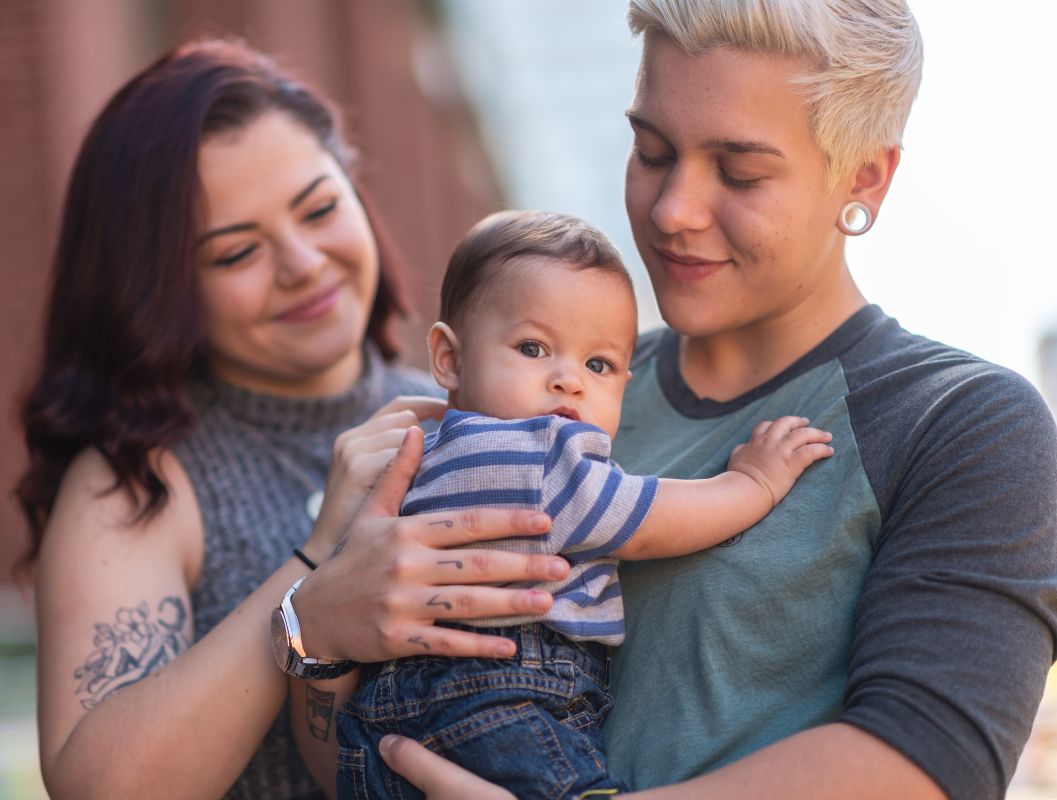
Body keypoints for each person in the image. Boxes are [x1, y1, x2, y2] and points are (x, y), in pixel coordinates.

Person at [285, 1, 1057, 799]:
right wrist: (321, 623)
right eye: (651, 151)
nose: (670, 211)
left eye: (739, 171)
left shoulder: (963, 424)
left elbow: (928, 767)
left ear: (863, 176)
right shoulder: (534, 397)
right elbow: (351, 755)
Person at [14, 40, 549, 800]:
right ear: (158, 289)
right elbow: (104, 789)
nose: (302, 263)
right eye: (237, 254)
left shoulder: (482, 408)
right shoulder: (135, 480)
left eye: (320, 208)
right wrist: (314, 575)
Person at [329, 209, 835, 799]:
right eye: (533, 346)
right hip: (502, 699)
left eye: (598, 364)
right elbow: (646, 519)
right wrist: (754, 484)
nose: (569, 380)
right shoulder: (541, 454)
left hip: (379, 724)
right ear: (448, 358)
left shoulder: (423, 458)